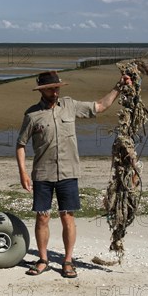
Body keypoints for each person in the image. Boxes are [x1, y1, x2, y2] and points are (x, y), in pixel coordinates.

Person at [16, 70, 132, 278]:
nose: (55, 91)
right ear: (42, 90)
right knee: (42, 217)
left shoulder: (69, 105)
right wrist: (23, 173)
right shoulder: (31, 115)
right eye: (51, 88)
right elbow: (20, 145)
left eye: (57, 87)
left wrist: (118, 86)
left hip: (69, 172)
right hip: (42, 174)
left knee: (67, 216)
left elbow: (100, 107)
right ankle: (43, 259)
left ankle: (67, 261)